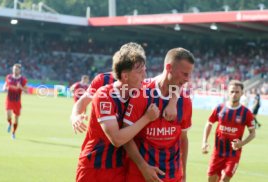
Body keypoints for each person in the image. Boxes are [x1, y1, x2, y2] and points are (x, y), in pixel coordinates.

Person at [76, 42, 160, 182]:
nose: (145, 76)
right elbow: (117, 139)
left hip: (119, 168)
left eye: (145, 70)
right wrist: (146, 118)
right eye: (140, 72)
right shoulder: (104, 94)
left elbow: (167, 78)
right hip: (95, 167)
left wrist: (174, 99)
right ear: (125, 76)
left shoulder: (139, 89)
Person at [123, 48, 195, 182]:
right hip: (140, 175)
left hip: (173, 176)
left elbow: (183, 138)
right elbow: (126, 137)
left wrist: (184, 175)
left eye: (189, 75)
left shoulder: (184, 100)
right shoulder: (142, 93)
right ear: (169, 68)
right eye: (185, 74)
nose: (187, 80)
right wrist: (143, 167)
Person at [202, 80, 256, 182]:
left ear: (242, 93)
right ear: (228, 92)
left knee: (225, 179)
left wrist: (242, 143)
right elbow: (209, 123)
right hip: (217, 152)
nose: (234, 94)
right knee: (211, 179)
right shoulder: (220, 108)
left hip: (233, 154)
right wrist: (204, 142)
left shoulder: (246, 113)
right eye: (232, 91)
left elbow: (253, 133)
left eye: (237, 92)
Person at [3, 64, 28, 139]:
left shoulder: (23, 80)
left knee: (16, 118)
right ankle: (9, 124)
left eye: (16, 69)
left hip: (17, 101)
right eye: (14, 69)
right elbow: (5, 85)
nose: (14, 70)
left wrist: (21, 87)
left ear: (19, 70)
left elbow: (26, 91)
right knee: (8, 115)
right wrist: (4, 88)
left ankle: (13, 133)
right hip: (9, 100)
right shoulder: (9, 77)